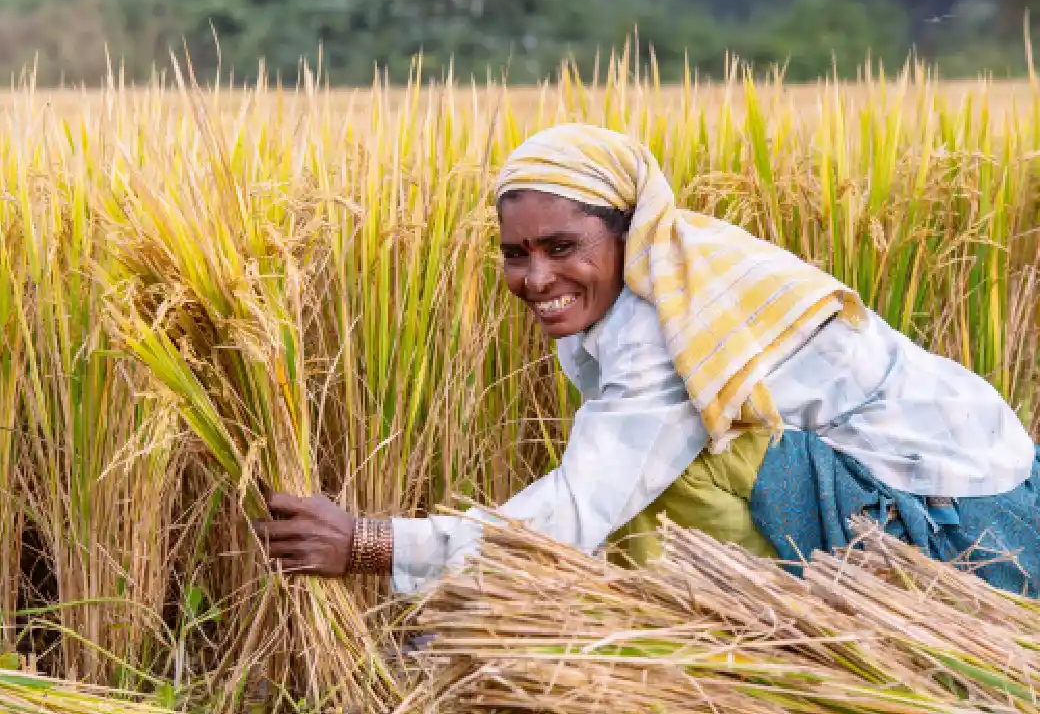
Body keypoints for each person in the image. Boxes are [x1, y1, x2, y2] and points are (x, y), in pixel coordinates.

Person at [254, 123, 1040, 598]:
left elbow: (576, 510)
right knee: (653, 470)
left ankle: (731, 640)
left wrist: (371, 542)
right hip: (982, 499)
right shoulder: (671, 272)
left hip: (976, 541)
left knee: (671, 476)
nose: (536, 280)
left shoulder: (672, 325)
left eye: (562, 248)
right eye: (515, 254)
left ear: (628, 231)